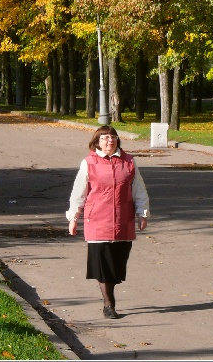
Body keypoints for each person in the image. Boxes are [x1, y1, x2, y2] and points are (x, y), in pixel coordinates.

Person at [66, 125, 149, 319]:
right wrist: (73, 218)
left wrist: (142, 213)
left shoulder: (129, 162)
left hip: (123, 220)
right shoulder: (88, 163)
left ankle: (109, 296)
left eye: (113, 137)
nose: (109, 141)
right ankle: (109, 304)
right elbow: (78, 193)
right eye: (104, 138)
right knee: (103, 264)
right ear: (97, 142)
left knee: (117, 264)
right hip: (97, 220)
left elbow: (139, 189)